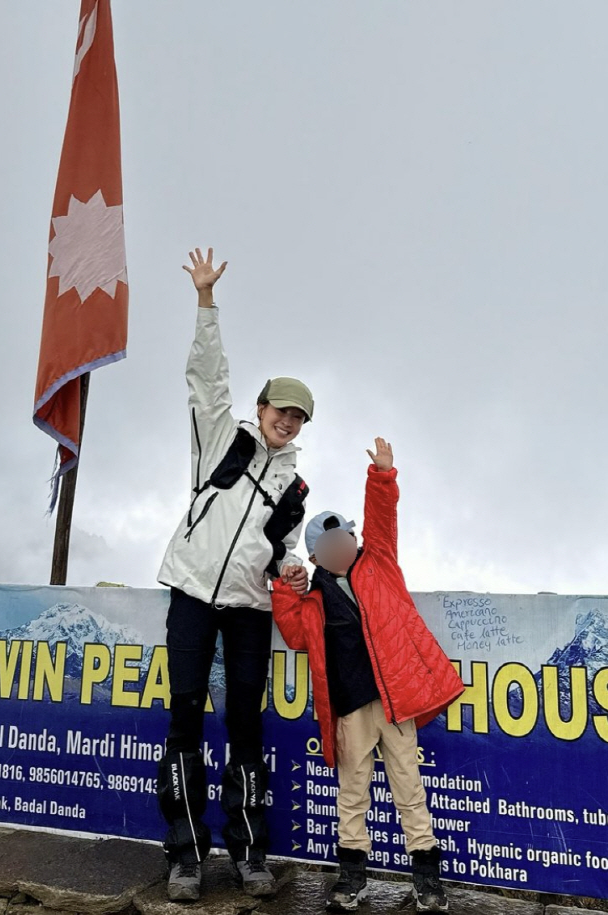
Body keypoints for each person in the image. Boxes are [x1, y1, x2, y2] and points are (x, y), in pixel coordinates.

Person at [156, 248, 313, 902]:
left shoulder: (295, 489)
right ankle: (187, 856)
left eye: (298, 417)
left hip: (250, 610)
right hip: (191, 594)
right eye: (280, 409)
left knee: (246, 724)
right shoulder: (223, 438)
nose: (286, 420)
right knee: (186, 717)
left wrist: (296, 572)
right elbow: (206, 376)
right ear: (262, 406)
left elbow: (285, 555)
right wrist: (205, 302)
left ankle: (250, 854)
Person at [272, 437, 465, 913]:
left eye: (348, 539)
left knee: (410, 789)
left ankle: (427, 880)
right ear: (316, 556)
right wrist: (284, 587)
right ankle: (351, 879)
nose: (345, 547)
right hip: (349, 709)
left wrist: (381, 476)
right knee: (352, 795)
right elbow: (295, 635)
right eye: (332, 544)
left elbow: (383, 519)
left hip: (395, 702)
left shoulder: (380, 562)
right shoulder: (310, 595)